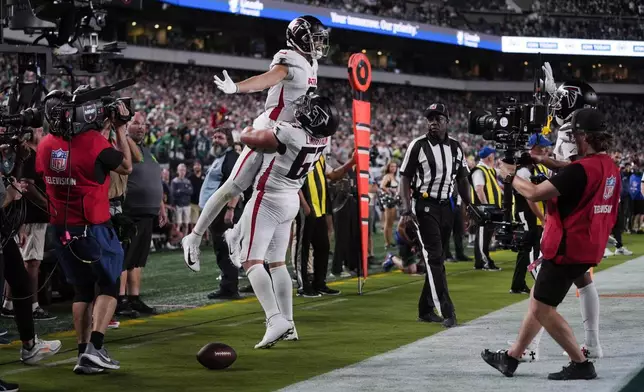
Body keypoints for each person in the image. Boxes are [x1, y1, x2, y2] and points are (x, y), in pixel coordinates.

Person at [182, 15, 330, 269]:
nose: (318, 44)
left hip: (290, 135)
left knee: (269, 190)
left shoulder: (311, 62)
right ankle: (193, 237)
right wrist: (237, 88)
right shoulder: (288, 59)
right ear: (299, 39)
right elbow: (268, 79)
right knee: (234, 186)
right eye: (313, 39)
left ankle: (235, 234)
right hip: (270, 130)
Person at [481, 108, 618, 381]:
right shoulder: (608, 165)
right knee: (537, 300)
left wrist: (509, 176)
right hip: (586, 244)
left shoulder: (579, 170)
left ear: (584, 137)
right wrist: (551, 163)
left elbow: (534, 192)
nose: (571, 141)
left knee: (543, 308)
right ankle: (512, 358)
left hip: (567, 247)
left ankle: (580, 363)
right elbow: (582, 173)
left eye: (574, 135)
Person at [38, 90, 133, 374]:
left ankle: (82, 353)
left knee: (81, 290)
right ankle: (96, 346)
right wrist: (119, 128)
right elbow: (126, 166)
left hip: (61, 226)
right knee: (108, 284)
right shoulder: (93, 142)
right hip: (93, 226)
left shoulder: (45, 145)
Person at [233, 94, 338, 348]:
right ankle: (289, 324)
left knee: (251, 260)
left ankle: (274, 318)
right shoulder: (322, 140)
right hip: (291, 199)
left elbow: (248, 137)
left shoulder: (290, 132)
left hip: (269, 197)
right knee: (277, 263)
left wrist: (250, 128)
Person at [398, 103, 472, 328]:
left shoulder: (456, 148)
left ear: (447, 122)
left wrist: (468, 206)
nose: (433, 123)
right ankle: (447, 309)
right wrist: (406, 208)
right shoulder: (418, 146)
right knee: (435, 257)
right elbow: (404, 178)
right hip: (424, 206)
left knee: (437, 259)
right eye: (430, 119)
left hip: (446, 207)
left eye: (438, 119)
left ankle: (425, 309)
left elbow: (462, 178)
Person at [2, 127, 56, 321]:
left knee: (24, 262)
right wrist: (49, 205)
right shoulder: (29, 155)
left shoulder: (30, 154)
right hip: (31, 215)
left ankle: (9, 304)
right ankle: (31, 305)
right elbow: (28, 186)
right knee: (32, 263)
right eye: (39, 130)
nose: (42, 132)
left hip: (28, 215)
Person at [119, 112, 167, 317]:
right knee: (125, 257)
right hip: (129, 211)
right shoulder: (122, 146)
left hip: (147, 211)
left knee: (138, 259)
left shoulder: (148, 151)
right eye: (136, 123)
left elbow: (154, 179)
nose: (141, 127)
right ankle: (119, 300)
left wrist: (161, 206)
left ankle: (134, 298)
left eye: (143, 124)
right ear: (126, 125)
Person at [197, 127, 243, 300]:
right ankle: (228, 285)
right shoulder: (220, 158)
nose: (216, 140)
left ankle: (230, 288)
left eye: (221, 137)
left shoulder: (231, 158)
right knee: (221, 249)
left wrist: (230, 209)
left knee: (225, 249)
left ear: (229, 140)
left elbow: (237, 184)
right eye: (214, 137)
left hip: (224, 211)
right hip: (216, 211)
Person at [510, 134, 552, 294]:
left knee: (528, 248)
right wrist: (542, 217)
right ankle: (536, 283)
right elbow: (529, 198)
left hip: (533, 214)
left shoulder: (533, 168)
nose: (544, 149)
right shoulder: (523, 171)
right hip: (526, 213)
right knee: (528, 247)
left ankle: (518, 284)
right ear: (533, 147)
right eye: (542, 146)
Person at [471, 146, 502, 271]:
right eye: (493, 155)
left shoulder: (489, 170)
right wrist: (486, 207)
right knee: (483, 235)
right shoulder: (479, 170)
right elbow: (479, 189)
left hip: (491, 209)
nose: (494, 157)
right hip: (485, 209)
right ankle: (484, 262)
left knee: (486, 235)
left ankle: (481, 261)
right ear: (489, 157)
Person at [380, 160, 399, 249]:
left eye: (395, 166)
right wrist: (391, 191)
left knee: (391, 222)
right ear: (388, 167)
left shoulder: (394, 176)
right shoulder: (387, 176)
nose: (393, 168)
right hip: (388, 200)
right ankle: (387, 243)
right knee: (387, 222)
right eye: (391, 166)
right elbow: (382, 186)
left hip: (393, 200)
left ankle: (390, 241)